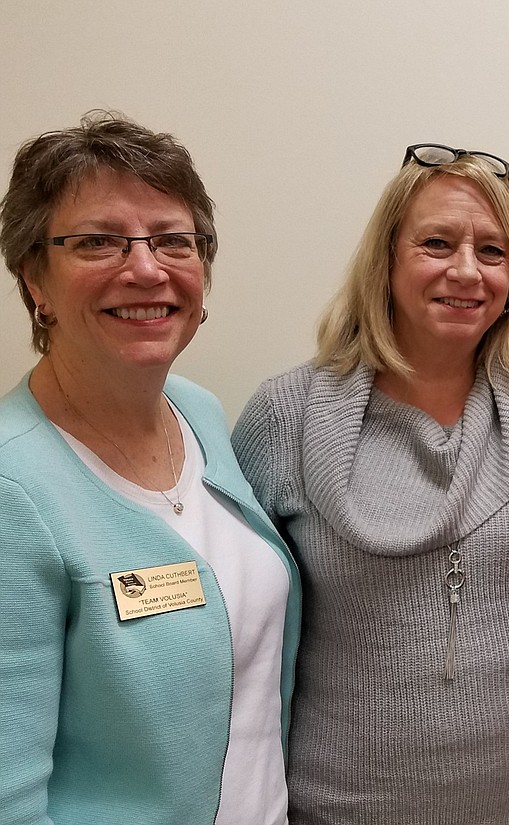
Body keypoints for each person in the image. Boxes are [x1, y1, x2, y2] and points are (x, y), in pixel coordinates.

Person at [232, 143, 509, 825]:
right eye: (437, 242)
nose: (467, 271)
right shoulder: (287, 415)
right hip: (340, 805)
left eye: (493, 252)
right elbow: (244, 633)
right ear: (387, 260)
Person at [0, 112, 300, 825]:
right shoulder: (14, 490)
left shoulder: (197, 413)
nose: (145, 267)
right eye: (98, 241)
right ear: (33, 277)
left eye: (173, 240)